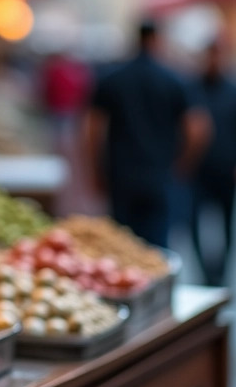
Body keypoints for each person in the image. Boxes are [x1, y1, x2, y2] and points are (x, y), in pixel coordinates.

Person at [84, 20, 210, 248]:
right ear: (157, 40)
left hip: (121, 174)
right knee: (157, 243)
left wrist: (96, 170)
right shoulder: (174, 80)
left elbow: (92, 131)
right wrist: (183, 165)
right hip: (158, 174)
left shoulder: (112, 79)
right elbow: (198, 129)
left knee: (122, 244)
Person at [190, 38, 236, 286]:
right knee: (193, 223)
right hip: (197, 170)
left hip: (229, 168)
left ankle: (222, 271)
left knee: (230, 224)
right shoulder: (191, 89)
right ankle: (206, 270)